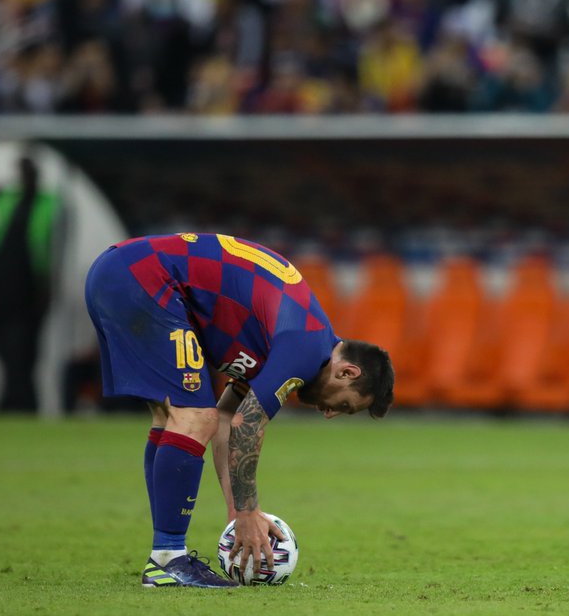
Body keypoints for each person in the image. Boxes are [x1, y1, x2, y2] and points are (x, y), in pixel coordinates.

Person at [84, 232, 395, 588]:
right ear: (347, 372)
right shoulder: (306, 347)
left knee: (173, 417)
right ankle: (168, 560)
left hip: (122, 271)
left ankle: (166, 553)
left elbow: (228, 419)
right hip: (146, 277)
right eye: (343, 405)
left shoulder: (293, 340)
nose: (329, 413)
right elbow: (248, 424)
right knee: (193, 416)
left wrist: (236, 515)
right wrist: (249, 512)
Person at [0, 154, 64, 412]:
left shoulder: (49, 203)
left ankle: (22, 399)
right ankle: (14, 396)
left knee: (26, 345)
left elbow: (53, 247)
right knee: (6, 344)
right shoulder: (7, 199)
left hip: (32, 286)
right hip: (4, 284)